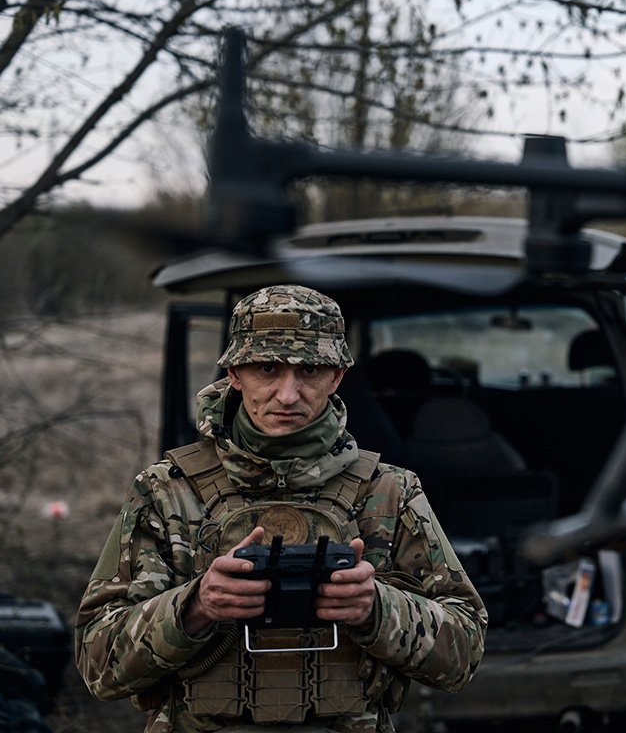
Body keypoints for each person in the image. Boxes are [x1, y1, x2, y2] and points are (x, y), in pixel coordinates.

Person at [75, 284, 487, 732]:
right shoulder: (166, 491)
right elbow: (99, 664)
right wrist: (195, 606)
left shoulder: (389, 492)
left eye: (309, 369)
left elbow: (463, 654)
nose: (288, 395)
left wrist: (377, 608)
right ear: (235, 373)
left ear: (336, 378)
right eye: (267, 369)